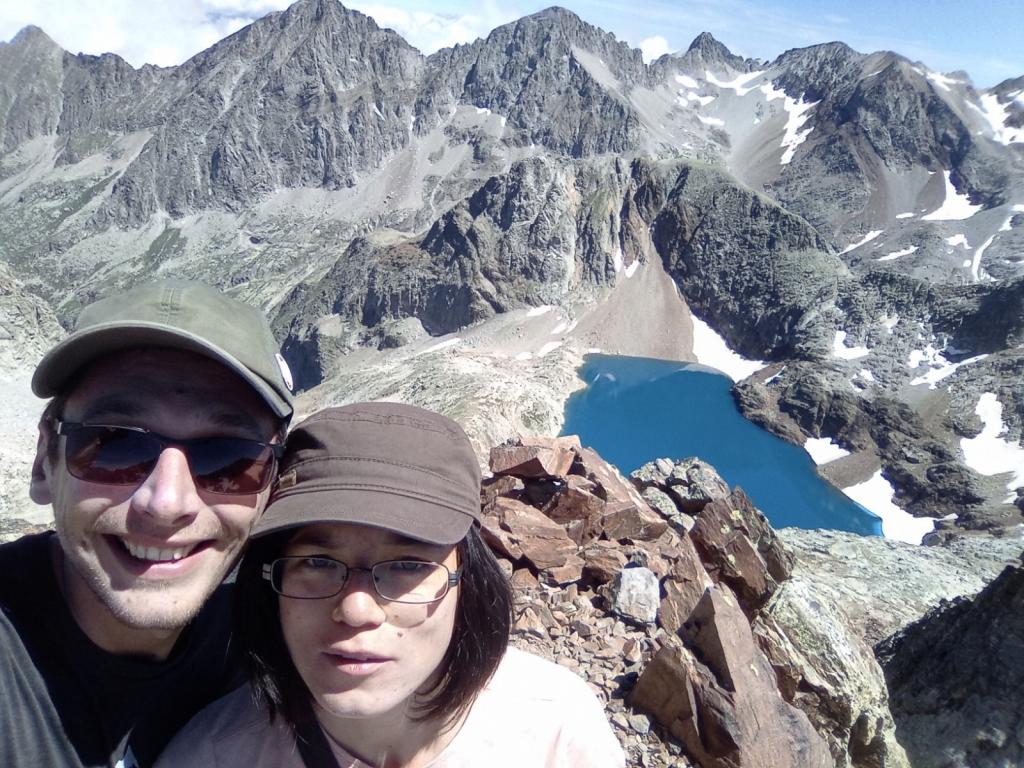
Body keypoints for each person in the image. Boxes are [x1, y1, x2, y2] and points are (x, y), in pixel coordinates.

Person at [157, 403, 626, 768]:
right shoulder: (212, 755)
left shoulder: (558, 729)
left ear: (468, 581)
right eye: (318, 562)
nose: (357, 610)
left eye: (407, 565)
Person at [0, 279, 295, 768]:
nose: (166, 503)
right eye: (115, 444)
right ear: (42, 463)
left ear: (272, 487)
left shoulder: (283, 625)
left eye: (229, 459)